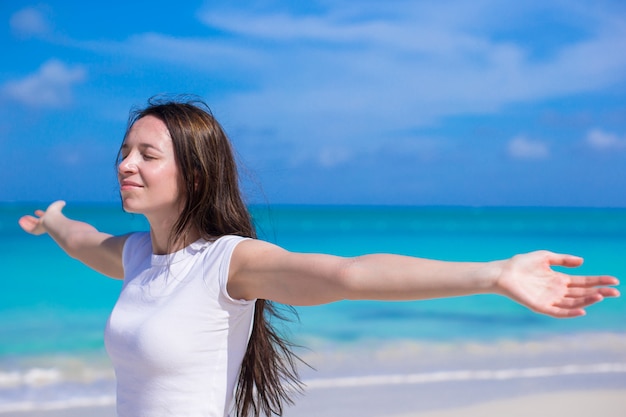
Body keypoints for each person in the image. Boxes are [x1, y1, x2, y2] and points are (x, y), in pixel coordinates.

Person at [19, 97, 619, 417]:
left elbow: (349, 274)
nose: (126, 164)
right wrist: (51, 221)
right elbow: (80, 240)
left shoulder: (229, 263)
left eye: (147, 155)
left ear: (195, 174)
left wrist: (492, 274)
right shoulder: (137, 255)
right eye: (125, 151)